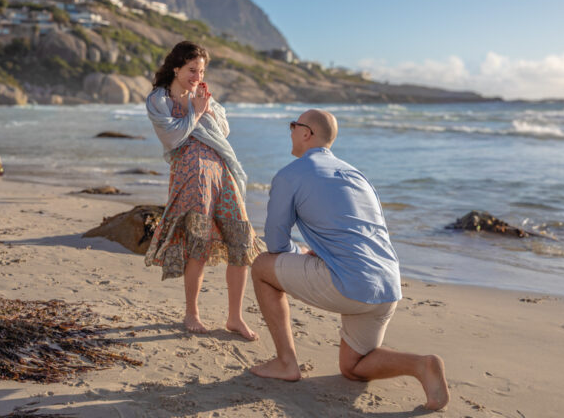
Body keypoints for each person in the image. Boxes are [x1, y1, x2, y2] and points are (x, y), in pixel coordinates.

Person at [249, 109, 450, 411]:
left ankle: (286, 362)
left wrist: (302, 253)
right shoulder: (357, 175)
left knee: (262, 266)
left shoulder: (290, 174)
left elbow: (276, 244)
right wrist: (322, 251)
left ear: (307, 133)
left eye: (294, 125)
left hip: (349, 285)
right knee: (353, 367)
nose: (290, 130)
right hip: (387, 285)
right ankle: (422, 365)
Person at [145, 40, 264, 340]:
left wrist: (205, 107)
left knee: (240, 240)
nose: (197, 76)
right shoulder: (159, 99)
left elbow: (222, 131)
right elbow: (173, 138)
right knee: (198, 242)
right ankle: (192, 313)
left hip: (222, 170)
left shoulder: (203, 96)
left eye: (201, 71)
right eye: (191, 70)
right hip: (191, 173)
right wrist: (195, 113)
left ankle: (235, 317)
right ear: (176, 67)